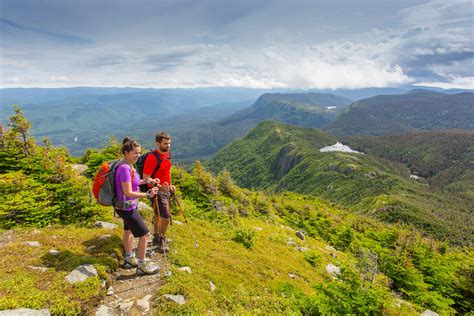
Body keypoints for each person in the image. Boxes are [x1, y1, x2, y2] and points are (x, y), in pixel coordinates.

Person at [115, 137, 160, 274]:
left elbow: (133, 183)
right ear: (127, 152)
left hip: (126, 205)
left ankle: (129, 258)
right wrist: (148, 195)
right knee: (145, 234)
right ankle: (142, 265)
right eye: (135, 153)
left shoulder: (127, 165)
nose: (138, 156)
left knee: (128, 230)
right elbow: (128, 191)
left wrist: (148, 181)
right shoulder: (124, 168)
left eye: (139, 153)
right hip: (126, 207)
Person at [142, 131, 175, 252]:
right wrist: (161, 187)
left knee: (157, 214)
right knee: (165, 216)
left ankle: (156, 237)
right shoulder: (152, 157)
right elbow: (146, 178)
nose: (168, 146)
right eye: (165, 143)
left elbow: (167, 171)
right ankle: (162, 238)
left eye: (169, 143)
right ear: (158, 143)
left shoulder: (167, 154)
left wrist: (171, 185)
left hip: (166, 189)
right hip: (156, 190)